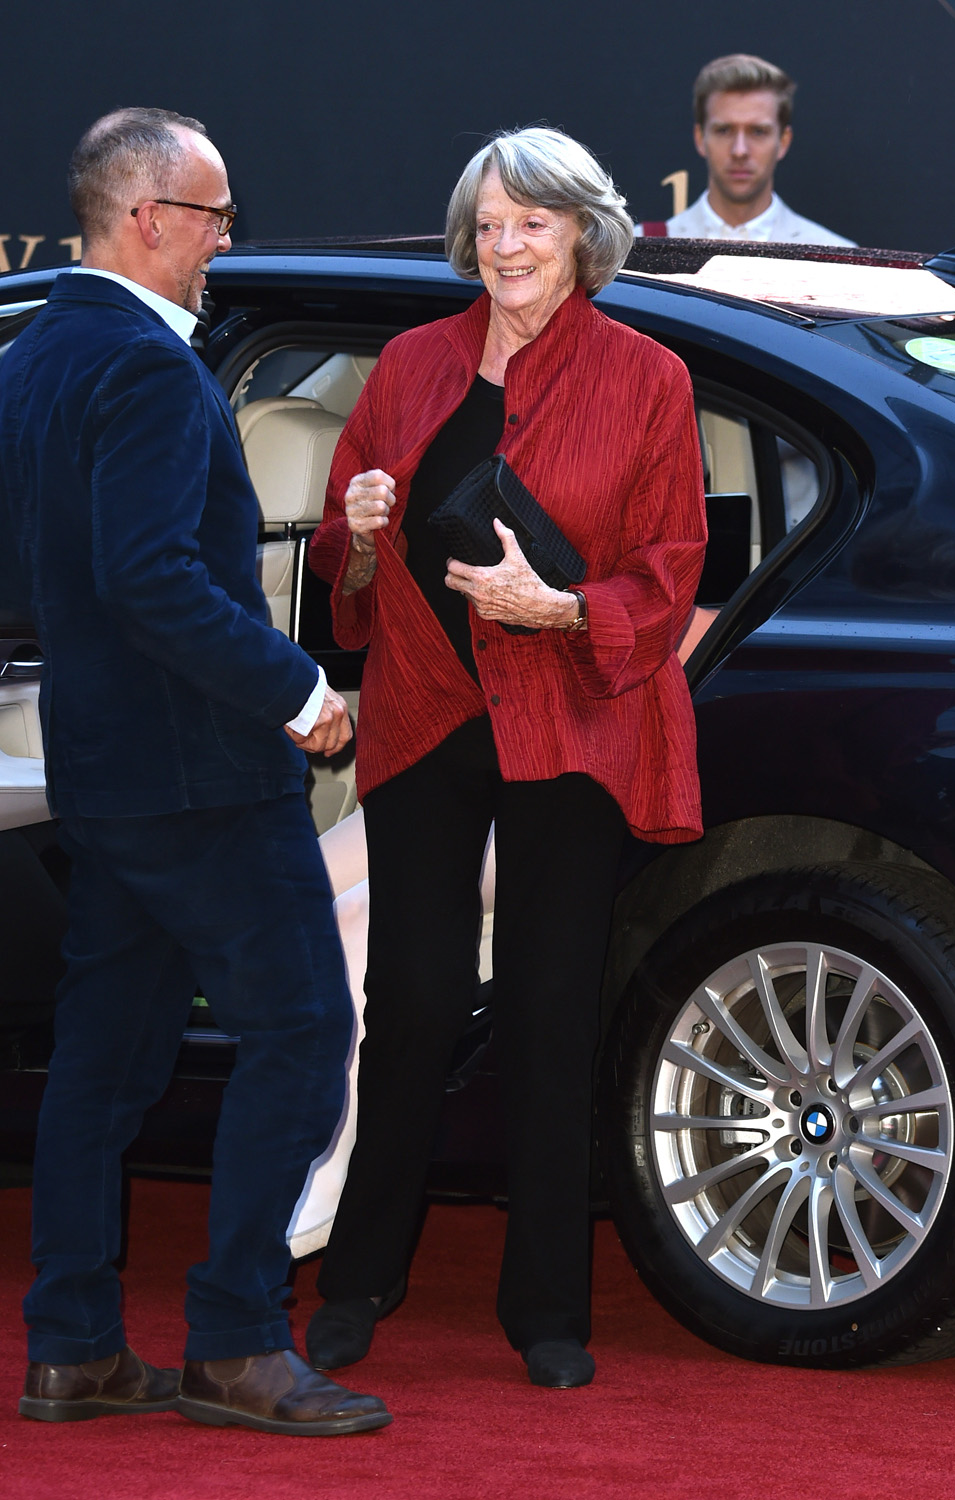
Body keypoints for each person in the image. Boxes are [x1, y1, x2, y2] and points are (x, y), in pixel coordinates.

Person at [0, 107, 390, 1437]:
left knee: (104, 1067)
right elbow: (154, 579)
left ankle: (72, 1347)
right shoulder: (153, 374)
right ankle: (233, 1338)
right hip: (204, 779)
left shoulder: (38, 354)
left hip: (101, 767)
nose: (229, 239)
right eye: (216, 215)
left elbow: (55, 581)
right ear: (146, 218)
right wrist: (299, 693)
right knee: (304, 1031)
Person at [305, 126, 707, 1389]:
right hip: (428, 707)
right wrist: (361, 536)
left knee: (545, 1007)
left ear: (584, 232)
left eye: (530, 223)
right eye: (485, 224)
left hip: (572, 713)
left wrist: (562, 612)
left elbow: (671, 564)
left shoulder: (648, 378)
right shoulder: (411, 366)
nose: (503, 247)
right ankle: (360, 1277)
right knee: (411, 1002)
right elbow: (339, 569)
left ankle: (545, 1311)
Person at [660, 54, 855, 245]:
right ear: (700, 138)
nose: (739, 151)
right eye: (724, 130)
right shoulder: (637, 250)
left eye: (758, 132)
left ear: (784, 141)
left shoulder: (834, 259)